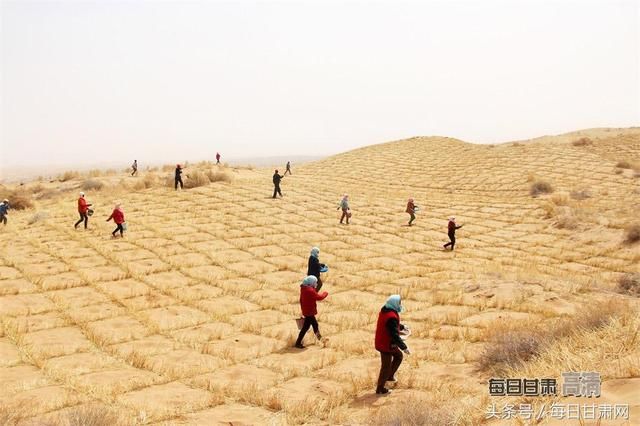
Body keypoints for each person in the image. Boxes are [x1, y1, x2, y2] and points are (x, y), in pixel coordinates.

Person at [375, 295, 411, 395]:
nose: (400, 305)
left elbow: (392, 325)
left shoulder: (386, 310)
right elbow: (394, 335)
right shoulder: (391, 316)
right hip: (385, 344)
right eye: (399, 303)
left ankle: (389, 376)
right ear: (395, 304)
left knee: (398, 356)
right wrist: (404, 347)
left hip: (383, 341)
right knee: (385, 366)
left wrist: (402, 327)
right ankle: (380, 388)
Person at [295, 275, 328, 349]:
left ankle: (320, 339)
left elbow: (301, 300)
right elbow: (319, 297)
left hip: (307, 311)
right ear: (311, 283)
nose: (316, 284)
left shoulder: (303, 289)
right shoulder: (310, 290)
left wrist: (303, 310)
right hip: (309, 312)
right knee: (306, 328)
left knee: (314, 325)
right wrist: (325, 293)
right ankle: (298, 343)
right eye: (315, 282)